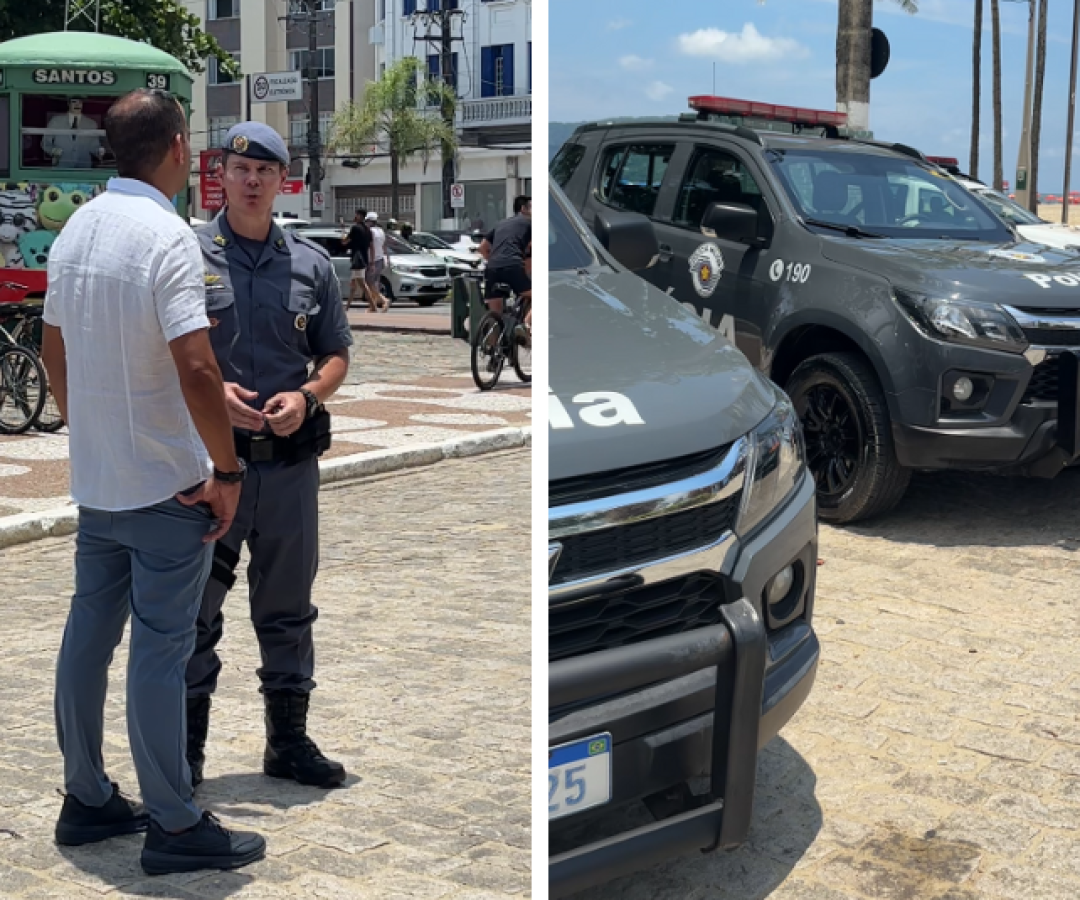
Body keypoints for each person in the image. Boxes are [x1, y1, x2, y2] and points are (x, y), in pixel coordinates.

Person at [41, 89, 265, 875]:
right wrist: (227, 471)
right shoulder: (167, 237)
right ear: (177, 145)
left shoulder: (76, 230)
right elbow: (197, 366)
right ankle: (172, 821)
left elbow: (54, 349)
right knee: (159, 652)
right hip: (169, 486)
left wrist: (89, 430)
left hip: (101, 482)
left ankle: (86, 795)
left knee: (87, 638)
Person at [184, 122, 354, 791]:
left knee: (288, 608)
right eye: (239, 168)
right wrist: (207, 389)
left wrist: (308, 398)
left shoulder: (310, 264)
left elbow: (337, 351)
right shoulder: (186, 253)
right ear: (220, 175)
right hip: (209, 466)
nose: (251, 181)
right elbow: (162, 351)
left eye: (265, 171)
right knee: (195, 612)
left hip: (287, 470)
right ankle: (185, 752)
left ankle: (288, 743)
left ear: (283, 180)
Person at [478, 195, 532, 329]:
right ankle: (525, 326)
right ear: (523, 209)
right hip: (513, 265)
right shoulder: (531, 224)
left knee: (495, 313)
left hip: (492, 268)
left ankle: (491, 347)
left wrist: (494, 261)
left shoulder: (500, 223)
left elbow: (482, 247)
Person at [41, 98, 106, 169]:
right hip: (61, 166)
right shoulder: (56, 121)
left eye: (80, 102)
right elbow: (45, 143)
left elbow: (94, 146)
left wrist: (99, 151)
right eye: (74, 102)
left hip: (84, 167)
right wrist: (54, 151)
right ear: (68, 104)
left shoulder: (91, 124)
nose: (77, 105)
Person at [342, 209, 374, 311]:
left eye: (356, 215)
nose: (354, 216)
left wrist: (343, 233)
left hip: (357, 259)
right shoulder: (368, 230)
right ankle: (347, 308)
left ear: (360, 216)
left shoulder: (355, 228)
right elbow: (370, 245)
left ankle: (373, 306)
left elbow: (344, 242)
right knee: (354, 285)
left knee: (362, 284)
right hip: (363, 259)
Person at [365, 210, 390, 312]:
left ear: (370, 221)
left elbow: (371, 247)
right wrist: (386, 257)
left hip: (373, 260)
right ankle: (373, 305)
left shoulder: (370, 232)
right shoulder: (381, 231)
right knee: (375, 283)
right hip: (380, 259)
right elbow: (384, 246)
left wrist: (371, 262)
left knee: (368, 282)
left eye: (367, 221)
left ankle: (384, 300)